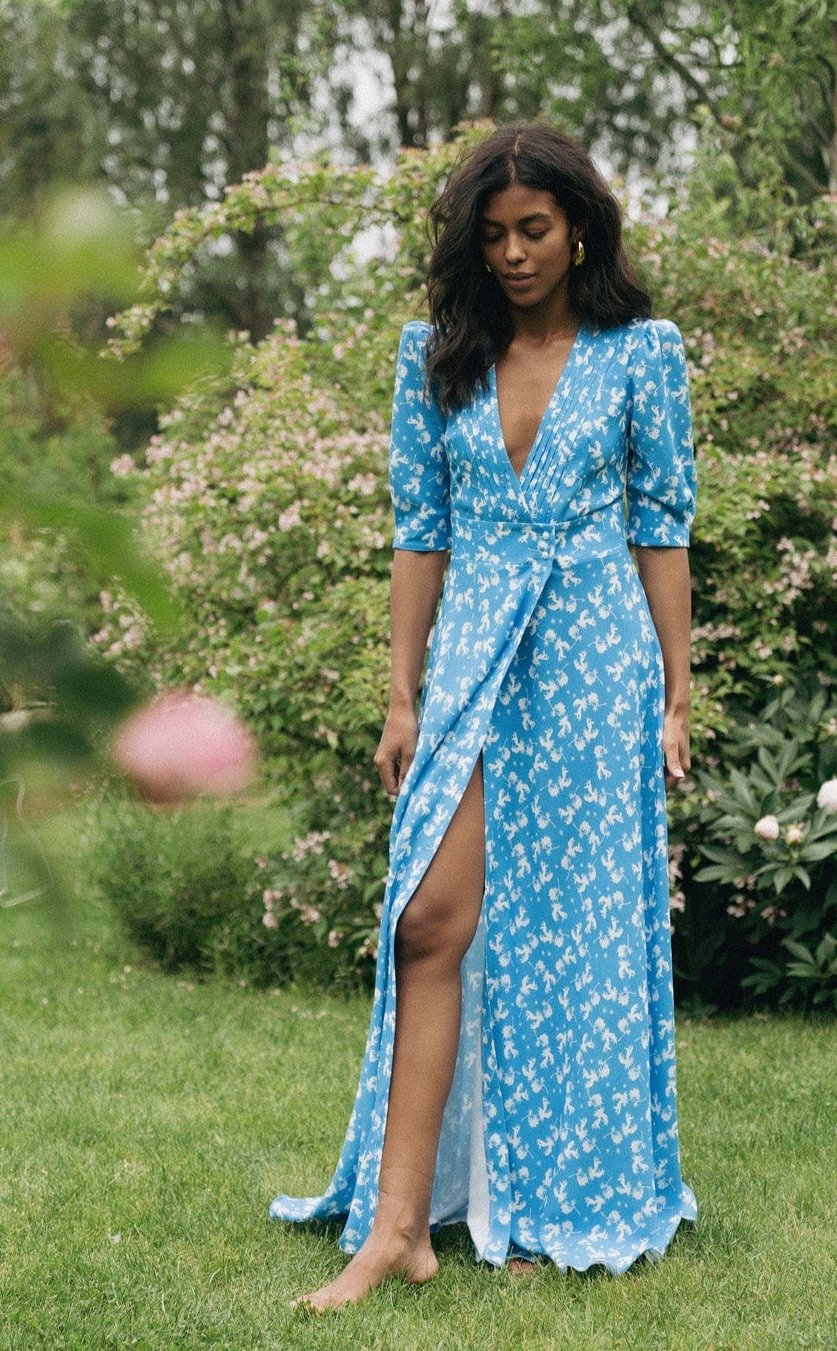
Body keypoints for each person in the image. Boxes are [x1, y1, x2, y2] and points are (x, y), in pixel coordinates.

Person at [270, 119, 699, 1313]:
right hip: (469, 659)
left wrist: (672, 691)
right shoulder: (435, 354)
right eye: (494, 234)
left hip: (589, 656)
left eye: (534, 231)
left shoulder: (639, 351)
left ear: (576, 231)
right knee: (427, 918)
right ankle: (396, 1225)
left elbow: (660, 524)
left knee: (572, 936)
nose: (513, 254)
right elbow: (423, 530)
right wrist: (400, 690)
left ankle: (537, 1196)